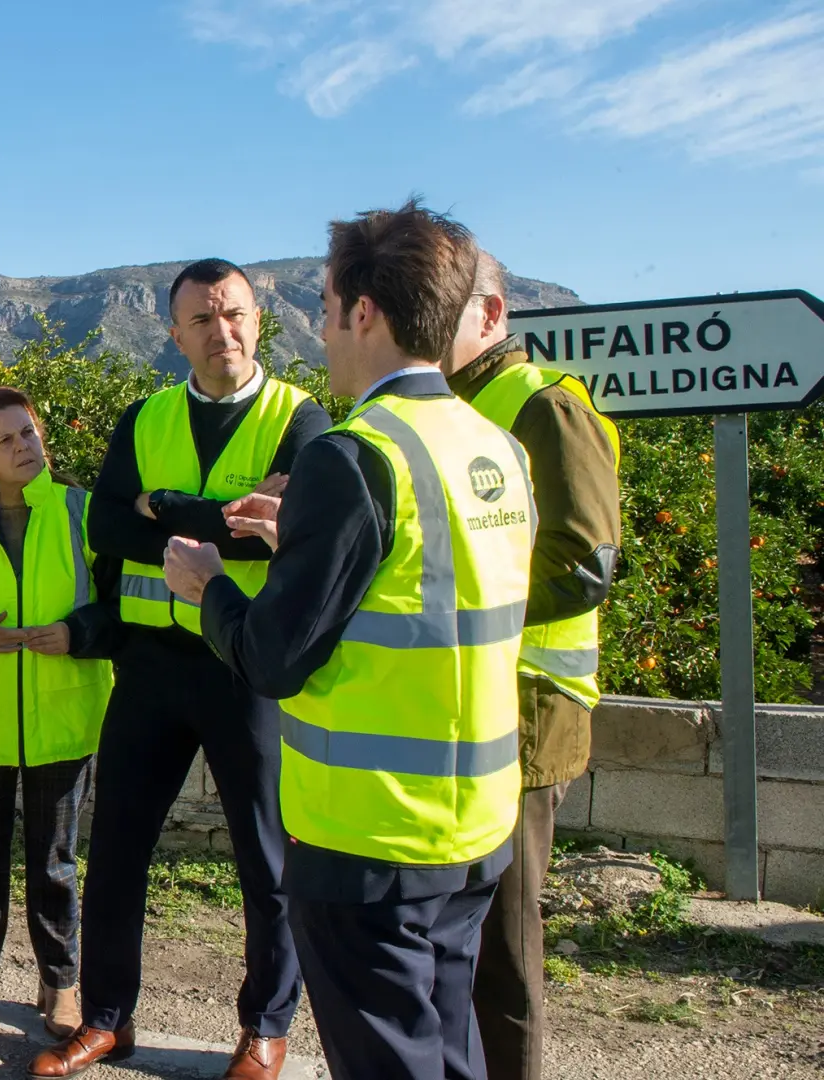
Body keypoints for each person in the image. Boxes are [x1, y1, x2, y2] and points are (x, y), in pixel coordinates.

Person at [168, 199, 536, 1080]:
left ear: (363, 311)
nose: (321, 329)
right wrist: (309, 537)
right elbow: (427, 580)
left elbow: (272, 657)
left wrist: (209, 585)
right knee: (450, 1053)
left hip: (371, 839)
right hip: (476, 827)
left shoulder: (354, 453)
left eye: (324, 306)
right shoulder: (492, 446)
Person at [32, 259, 330, 1080]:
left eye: (231, 313)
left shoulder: (302, 422)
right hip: (150, 667)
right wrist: (212, 521)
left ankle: (265, 1028)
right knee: (117, 850)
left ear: (259, 319)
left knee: (265, 861)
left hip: (243, 666)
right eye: (199, 320)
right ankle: (105, 1019)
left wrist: (158, 507)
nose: (218, 331)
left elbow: (286, 532)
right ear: (174, 334)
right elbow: (106, 528)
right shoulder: (146, 414)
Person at [446, 253, 621, 1080]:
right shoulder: (458, 409)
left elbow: (585, 561)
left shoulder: (542, 405)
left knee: (503, 943)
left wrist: (449, 606)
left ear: (493, 313)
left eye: (447, 307)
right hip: (473, 702)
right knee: (461, 935)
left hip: (531, 706)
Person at [0, 387, 118, 1039]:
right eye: (5, 440)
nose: (24, 447)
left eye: (29, 433)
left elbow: (120, 606)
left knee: (55, 862)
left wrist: (77, 633)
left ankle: (60, 984)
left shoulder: (83, 512)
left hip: (63, 719)